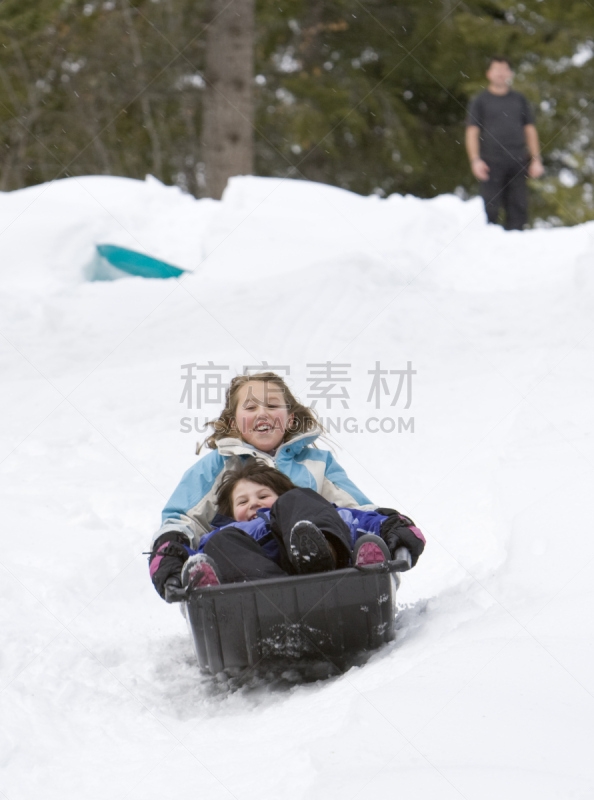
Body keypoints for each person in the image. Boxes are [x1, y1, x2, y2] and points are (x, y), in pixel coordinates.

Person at [148, 371, 382, 601]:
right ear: (233, 422)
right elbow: (182, 520)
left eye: (272, 406)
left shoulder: (316, 464)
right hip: (252, 584)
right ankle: (272, 596)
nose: (262, 413)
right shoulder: (214, 467)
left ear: (290, 418)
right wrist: (169, 554)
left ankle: (318, 555)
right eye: (250, 408)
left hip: (327, 574)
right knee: (219, 542)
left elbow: (355, 509)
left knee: (297, 500)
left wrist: (390, 527)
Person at [150, 460, 425, 599]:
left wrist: (397, 528)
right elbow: (179, 554)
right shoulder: (225, 532)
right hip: (257, 593)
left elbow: (368, 520)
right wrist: (170, 562)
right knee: (217, 544)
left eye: (263, 496)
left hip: (328, 573)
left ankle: (322, 551)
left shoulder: (301, 504)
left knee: (302, 503)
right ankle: (251, 593)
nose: (254, 503)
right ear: (230, 512)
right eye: (242, 501)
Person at [465, 56, 544, 230]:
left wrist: (536, 159)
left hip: (518, 161)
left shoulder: (519, 100)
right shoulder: (480, 101)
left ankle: (516, 248)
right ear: (489, 73)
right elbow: (472, 132)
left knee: (519, 210)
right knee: (489, 211)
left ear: (510, 73)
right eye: (497, 70)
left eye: (504, 70)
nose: (500, 74)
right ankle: (488, 249)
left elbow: (530, 130)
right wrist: (475, 160)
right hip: (490, 162)